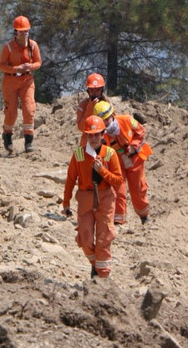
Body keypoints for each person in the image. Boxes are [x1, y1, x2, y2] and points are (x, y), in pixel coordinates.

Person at [62, 115, 125, 278]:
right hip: (85, 199)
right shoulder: (78, 154)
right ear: (86, 136)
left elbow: (118, 181)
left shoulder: (110, 154)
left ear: (103, 134)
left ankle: (102, 278)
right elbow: (70, 180)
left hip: (105, 198)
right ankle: (95, 265)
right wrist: (66, 202)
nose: (94, 138)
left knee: (104, 239)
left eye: (97, 134)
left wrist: (102, 171)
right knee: (85, 238)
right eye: (91, 135)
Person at [93, 100, 151, 225]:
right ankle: (118, 220)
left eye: (106, 119)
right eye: (102, 121)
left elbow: (141, 131)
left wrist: (133, 146)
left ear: (112, 115)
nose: (105, 123)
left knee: (138, 188)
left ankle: (144, 216)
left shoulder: (126, 120)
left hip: (135, 159)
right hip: (117, 162)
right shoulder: (101, 135)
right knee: (117, 190)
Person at [0, 15, 42, 153]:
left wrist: (30, 66)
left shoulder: (33, 45)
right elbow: (1, 66)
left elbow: (38, 63)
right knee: (11, 113)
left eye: (26, 31)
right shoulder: (8, 47)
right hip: (10, 81)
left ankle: (28, 142)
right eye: (22, 31)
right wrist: (16, 69)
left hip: (26, 81)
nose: (25, 33)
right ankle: (7, 136)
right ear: (16, 32)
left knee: (29, 109)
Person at [76, 73, 108, 146]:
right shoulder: (83, 105)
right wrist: (90, 106)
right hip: (87, 143)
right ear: (88, 91)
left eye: (97, 90)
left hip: (104, 141)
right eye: (92, 90)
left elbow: (113, 123)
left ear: (102, 90)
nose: (94, 93)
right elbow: (81, 127)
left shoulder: (107, 104)